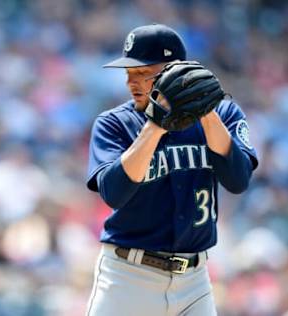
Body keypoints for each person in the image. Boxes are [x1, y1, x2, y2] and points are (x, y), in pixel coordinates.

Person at [85, 23, 258, 315]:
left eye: (142, 73)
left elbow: (238, 179)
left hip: (195, 279)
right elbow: (113, 193)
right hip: (128, 276)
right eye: (129, 73)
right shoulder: (114, 123)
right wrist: (155, 124)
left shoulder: (223, 114)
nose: (131, 82)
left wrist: (205, 111)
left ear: (176, 71)